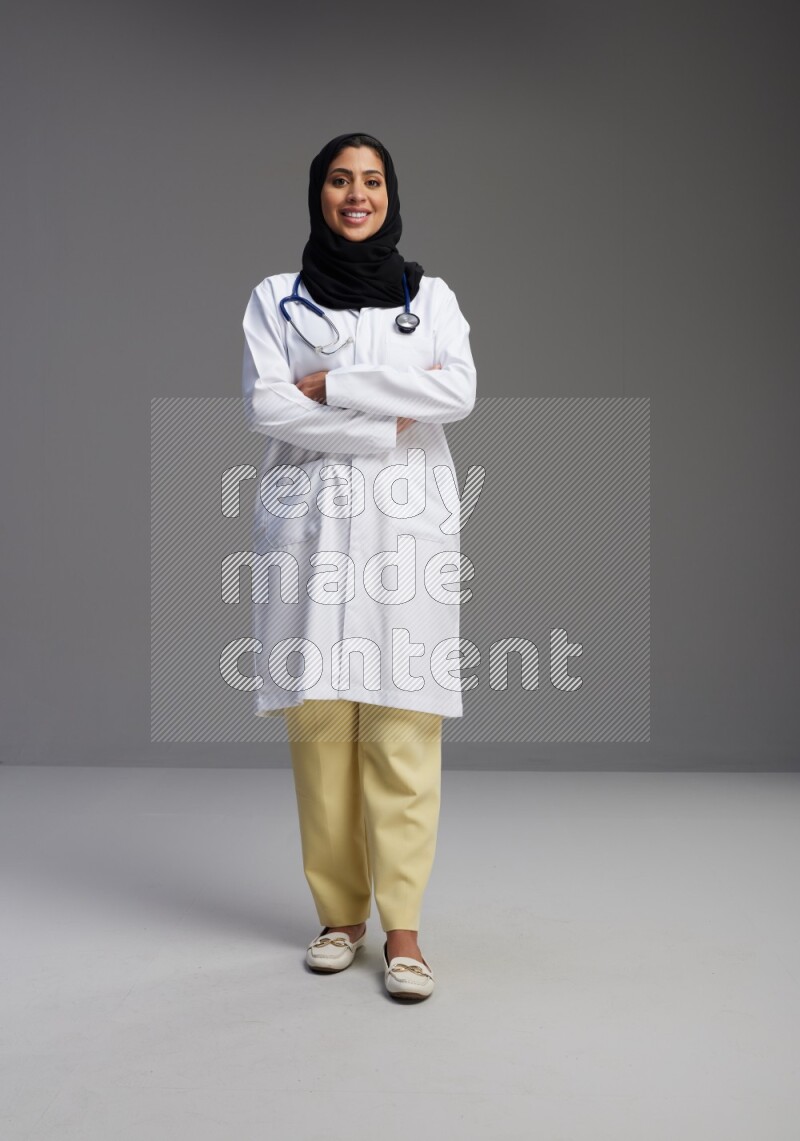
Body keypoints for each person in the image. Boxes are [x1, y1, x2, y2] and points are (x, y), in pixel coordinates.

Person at [241, 132, 476, 1001]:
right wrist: (387, 417)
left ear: (390, 193)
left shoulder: (431, 297)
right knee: (321, 732)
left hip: (403, 531)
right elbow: (268, 405)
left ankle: (403, 929)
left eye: (371, 180)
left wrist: (335, 385)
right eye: (340, 180)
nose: (356, 195)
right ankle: (340, 917)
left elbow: (458, 393)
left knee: (404, 726)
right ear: (319, 193)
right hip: (311, 530)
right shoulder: (277, 297)